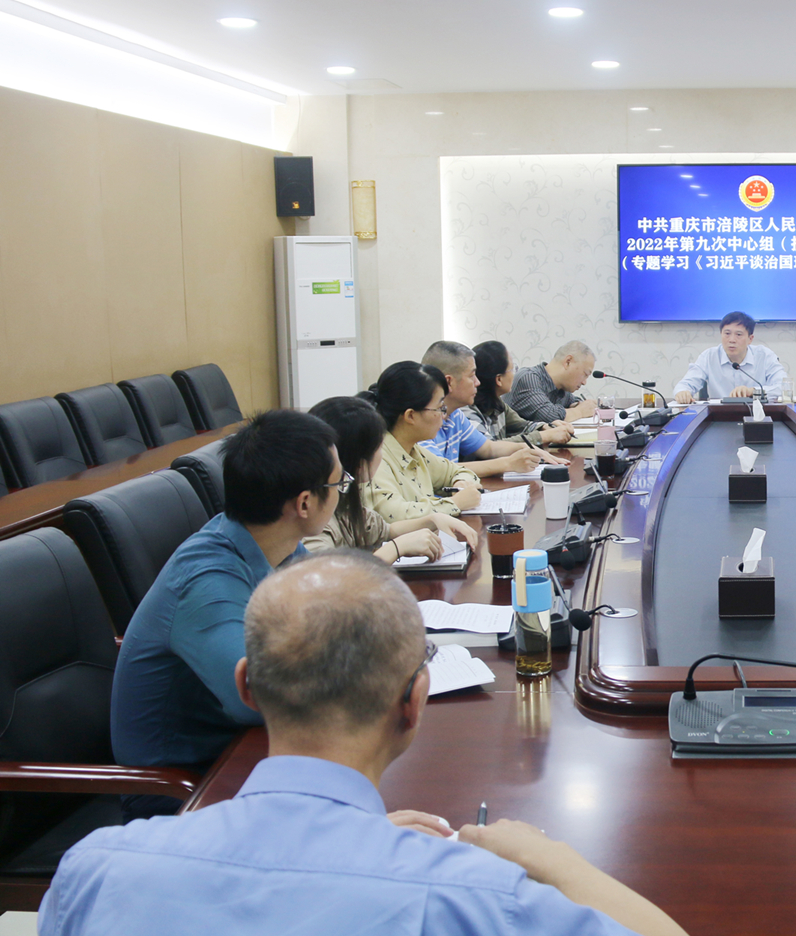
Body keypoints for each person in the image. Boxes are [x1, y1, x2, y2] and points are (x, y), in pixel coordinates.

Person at [43, 553, 691, 936]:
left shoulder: (94, 870)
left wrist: (351, 845)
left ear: (247, 686)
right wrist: (550, 860)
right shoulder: (477, 898)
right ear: (415, 703)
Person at [110, 410, 343, 820]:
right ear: (305, 503)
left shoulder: (275, 545)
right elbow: (255, 699)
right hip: (181, 787)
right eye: (340, 483)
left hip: (246, 752)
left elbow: (334, 614)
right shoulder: (206, 581)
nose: (343, 492)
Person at [304, 396, 479, 562]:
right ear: (358, 460)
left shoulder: (344, 497)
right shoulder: (315, 517)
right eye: (380, 447)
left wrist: (432, 520)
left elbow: (385, 530)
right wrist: (396, 548)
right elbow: (330, 576)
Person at [364, 361, 483, 521]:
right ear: (410, 416)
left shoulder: (413, 451)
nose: (443, 416)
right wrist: (455, 503)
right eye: (439, 408)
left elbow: (459, 471)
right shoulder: (375, 458)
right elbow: (395, 515)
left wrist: (461, 483)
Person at [418, 340, 551, 477]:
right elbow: (439, 470)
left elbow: (488, 448)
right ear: (449, 382)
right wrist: (508, 463)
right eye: (472, 376)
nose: (477, 382)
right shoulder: (420, 419)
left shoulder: (455, 414)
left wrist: (523, 448)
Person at [464, 339, 573, 445]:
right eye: (512, 369)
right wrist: (545, 436)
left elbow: (522, 426)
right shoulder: (467, 412)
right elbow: (490, 448)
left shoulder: (496, 402)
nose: (515, 374)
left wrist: (546, 427)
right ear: (499, 379)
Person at [671, 311, 786, 402]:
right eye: (727, 333)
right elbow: (685, 384)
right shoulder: (709, 356)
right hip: (719, 417)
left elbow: (783, 387)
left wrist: (753, 391)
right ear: (721, 334)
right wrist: (683, 392)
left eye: (738, 334)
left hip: (758, 417)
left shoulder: (764, 356)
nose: (731, 340)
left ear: (750, 339)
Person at [508, 340, 599, 424]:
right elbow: (549, 416)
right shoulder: (528, 378)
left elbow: (573, 401)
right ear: (568, 362)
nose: (584, 382)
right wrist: (580, 411)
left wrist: (581, 405)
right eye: (585, 374)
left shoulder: (561, 389)